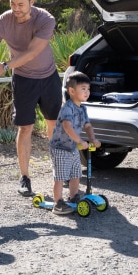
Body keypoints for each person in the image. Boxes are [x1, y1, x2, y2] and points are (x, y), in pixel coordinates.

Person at [0, 0, 62, 197]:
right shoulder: (2, 22)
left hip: (48, 77)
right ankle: (25, 177)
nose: (16, 9)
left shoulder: (45, 19)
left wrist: (5, 66)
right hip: (24, 80)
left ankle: (60, 171)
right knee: (25, 127)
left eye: (21, 4)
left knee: (53, 125)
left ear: (33, 1)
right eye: (12, 4)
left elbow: (32, 52)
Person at [49, 71, 100, 215]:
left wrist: (93, 139)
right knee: (60, 176)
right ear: (72, 91)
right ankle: (57, 203)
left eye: (88, 89)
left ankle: (73, 196)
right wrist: (80, 140)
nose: (87, 92)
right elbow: (67, 126)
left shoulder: (82, 108)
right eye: (83, 89)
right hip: (60, 147)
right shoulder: (68, 107)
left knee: (76, 174)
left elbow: (88, 126)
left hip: (72, 147)